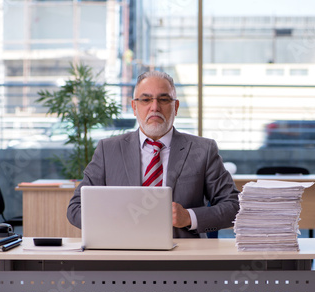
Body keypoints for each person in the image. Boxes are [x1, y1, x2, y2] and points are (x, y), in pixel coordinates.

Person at [67, 71, 240, 238]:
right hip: (122, 253)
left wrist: (188, 217)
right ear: (134, 107)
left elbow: (234, 206)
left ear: (176, 106)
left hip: (183, 256)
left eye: (164, 99)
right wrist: (116, 221)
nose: (155, 107)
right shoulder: (108, 150)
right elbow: (76, 208)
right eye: (146, 99)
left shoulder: (203, 150)